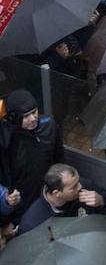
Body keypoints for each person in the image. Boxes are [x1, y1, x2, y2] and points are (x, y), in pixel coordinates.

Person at [0, 89, 63, 225]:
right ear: (14, 118)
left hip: (47, 193)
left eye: (34, 112)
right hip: (21, 201)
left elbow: (59, 159)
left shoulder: (49, 126)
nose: (33, 118)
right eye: (26, 116)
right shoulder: (5, 139)